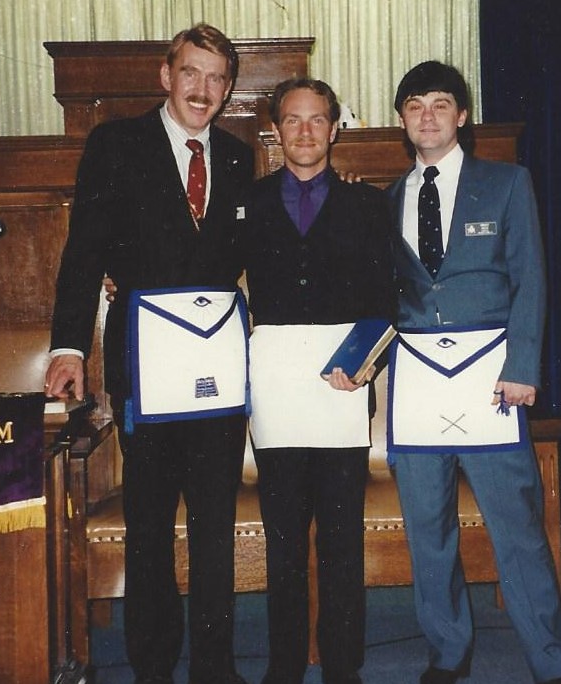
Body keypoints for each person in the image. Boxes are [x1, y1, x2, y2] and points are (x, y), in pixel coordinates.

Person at [45, 23, 253, 684]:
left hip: (216, 372)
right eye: (191, 72)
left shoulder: (238, 157)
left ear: (228, 89)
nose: (203, 89)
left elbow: (247, 255)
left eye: (216, 78)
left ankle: (216, 670)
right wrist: (70, 347)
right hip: (145, 368)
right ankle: (154, 669)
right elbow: (84, 252)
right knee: (150, 525)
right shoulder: (116, 144)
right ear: (166, 76)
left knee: (215, 525)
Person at [385, 61, 561, 684]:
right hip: (417, 382)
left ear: (462, 116)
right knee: (428, 528)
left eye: (440, 104)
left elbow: (531, 278)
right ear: (402, 119)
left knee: (517, 528)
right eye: (415, 106)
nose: (428, 116)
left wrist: (523, 368)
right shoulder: (387, 199)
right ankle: (447, 651)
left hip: (492, 380)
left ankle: (551, 662)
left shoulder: (506, 183)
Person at [241, 77, 396, 684]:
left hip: (342, 389)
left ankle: (341, 666)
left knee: (340, 538)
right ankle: (283, 666)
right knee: (282, 541)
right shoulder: (248, 203)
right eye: (292, 119)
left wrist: (367, 364)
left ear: (334, 129)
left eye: (316, 120)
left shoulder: (367, 205)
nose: (304, 131)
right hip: (276, 389)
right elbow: (207, 274)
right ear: (276, 130)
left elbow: (386, 297)